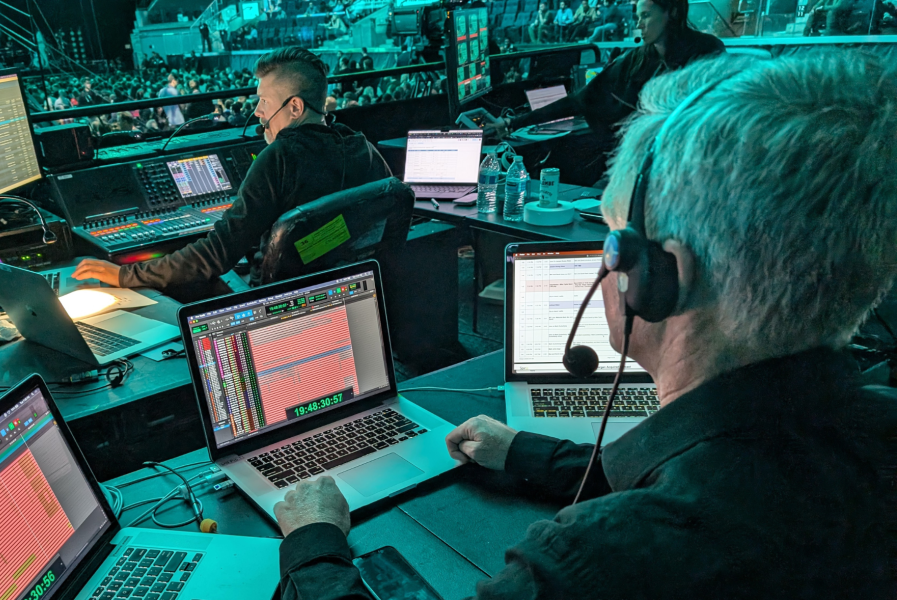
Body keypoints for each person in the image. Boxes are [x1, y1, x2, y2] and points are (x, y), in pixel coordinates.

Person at [268, 50, 897, 599]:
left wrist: (314, 543)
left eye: (610, 236)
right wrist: (530, 454)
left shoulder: (595, 564)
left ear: (657, 277)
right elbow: (713, 474)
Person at [72, 47, 393, 298]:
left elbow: (216, 254)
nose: (258, 112)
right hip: (353, 292)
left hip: (278, 304)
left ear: (294, 107)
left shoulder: (278, 157)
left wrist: (125, 275)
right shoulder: (361, 146)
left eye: (264, 101)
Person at [490, 0, 724, 180]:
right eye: (637, 16)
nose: (639, 24)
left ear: (671, 12)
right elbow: (581, 99)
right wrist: (513, 123)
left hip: (688, 164)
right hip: (639, 162)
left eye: (645, 15)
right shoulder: (637, 59)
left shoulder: (707, 50)